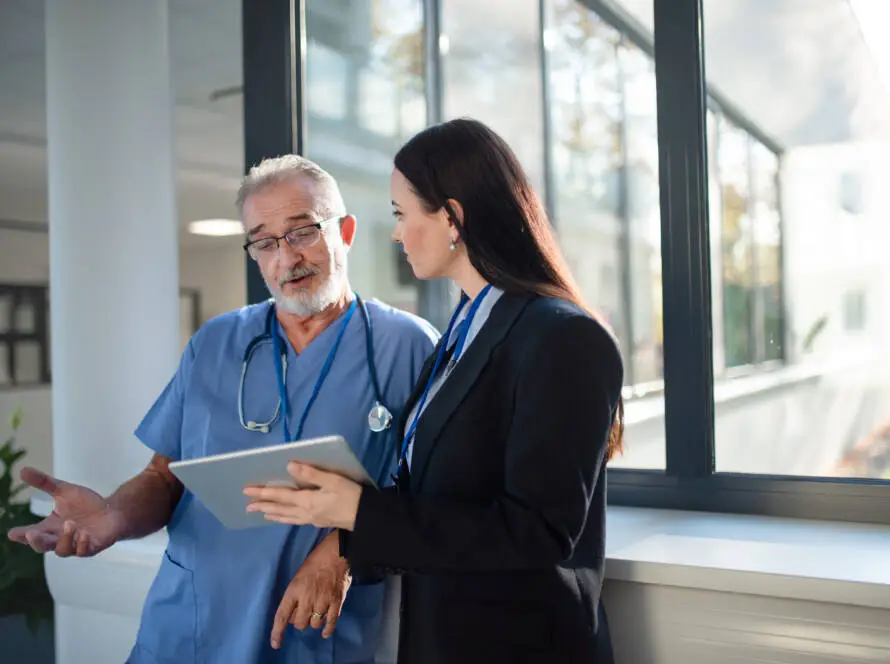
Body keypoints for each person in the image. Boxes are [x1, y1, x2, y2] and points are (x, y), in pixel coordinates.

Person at [8, 155, 438, 663]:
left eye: (302, 232)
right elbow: (164, 478)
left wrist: (345, 549)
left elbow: (432, 499)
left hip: (314, 635)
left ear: (344, 231)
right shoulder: (216, 342)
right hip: (190, 628)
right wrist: (113, 516)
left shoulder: (407, 347)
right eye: (264, 240)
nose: (286, 257)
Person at [244, 118, 625, 664]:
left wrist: (361, 516)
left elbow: (538, 531)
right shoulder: (464, 332)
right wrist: (346, 535)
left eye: (401, 214)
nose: (396, 233)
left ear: (452, 217)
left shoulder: (563, 337)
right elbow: (443, 495)